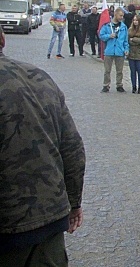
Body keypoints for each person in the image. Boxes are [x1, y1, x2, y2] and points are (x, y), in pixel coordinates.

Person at [0, 25, 86, 266]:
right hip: (48, 219)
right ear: (3, 39)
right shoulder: (39, 77)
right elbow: (73, 149)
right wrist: (74, 202)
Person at [99, 8, 129, 93]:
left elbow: (125, 40)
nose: (121, 17)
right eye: (120, 15)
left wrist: (126, 49)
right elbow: (101, 35)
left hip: (120, 51)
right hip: (109, 50)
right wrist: (109, 36)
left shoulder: (123, 27)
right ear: (115, 14)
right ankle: (106, 85)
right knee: (107, 70)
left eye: (122, 16)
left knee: (119, 71)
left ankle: (119, 85)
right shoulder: (107, 25)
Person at [128, 14, 140, 94]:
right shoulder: (130, 29)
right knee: (132, 71)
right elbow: (128, 40)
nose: (135, 22)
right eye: (134, 20)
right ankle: (134, 86)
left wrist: (134, 39)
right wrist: (134, 40)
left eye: (136, 20)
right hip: (131, 52)